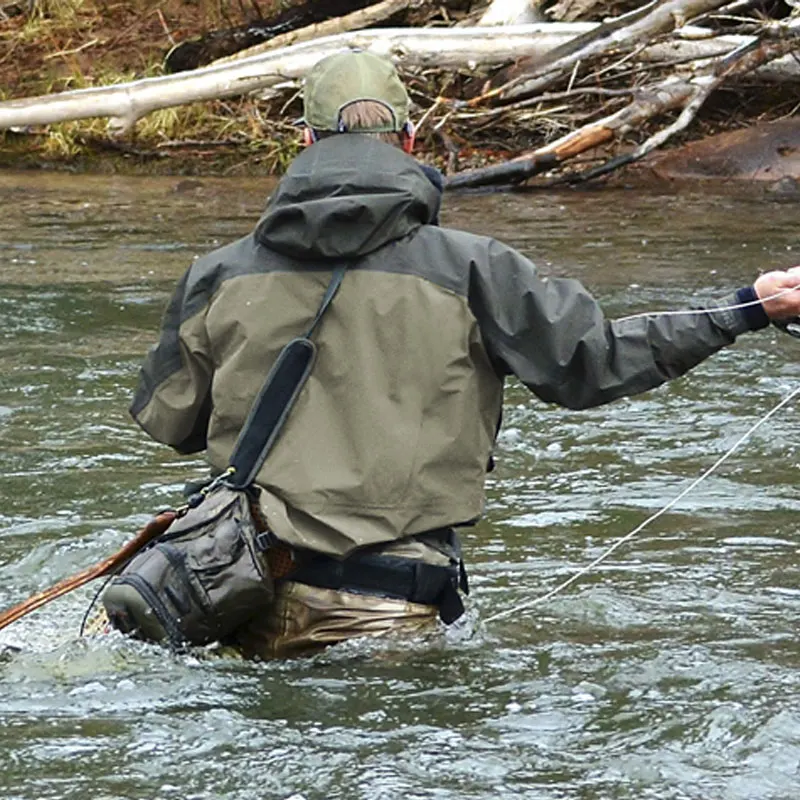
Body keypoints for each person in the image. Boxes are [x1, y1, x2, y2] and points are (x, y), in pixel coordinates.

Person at [129, 49, 800, 659]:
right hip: (390, 614)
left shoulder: (217, 274)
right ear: (411, 140)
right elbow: (592, 363)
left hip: (235, 604)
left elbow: (172, 421)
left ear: (303, 142)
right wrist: (744, 308)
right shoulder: (475, 270)